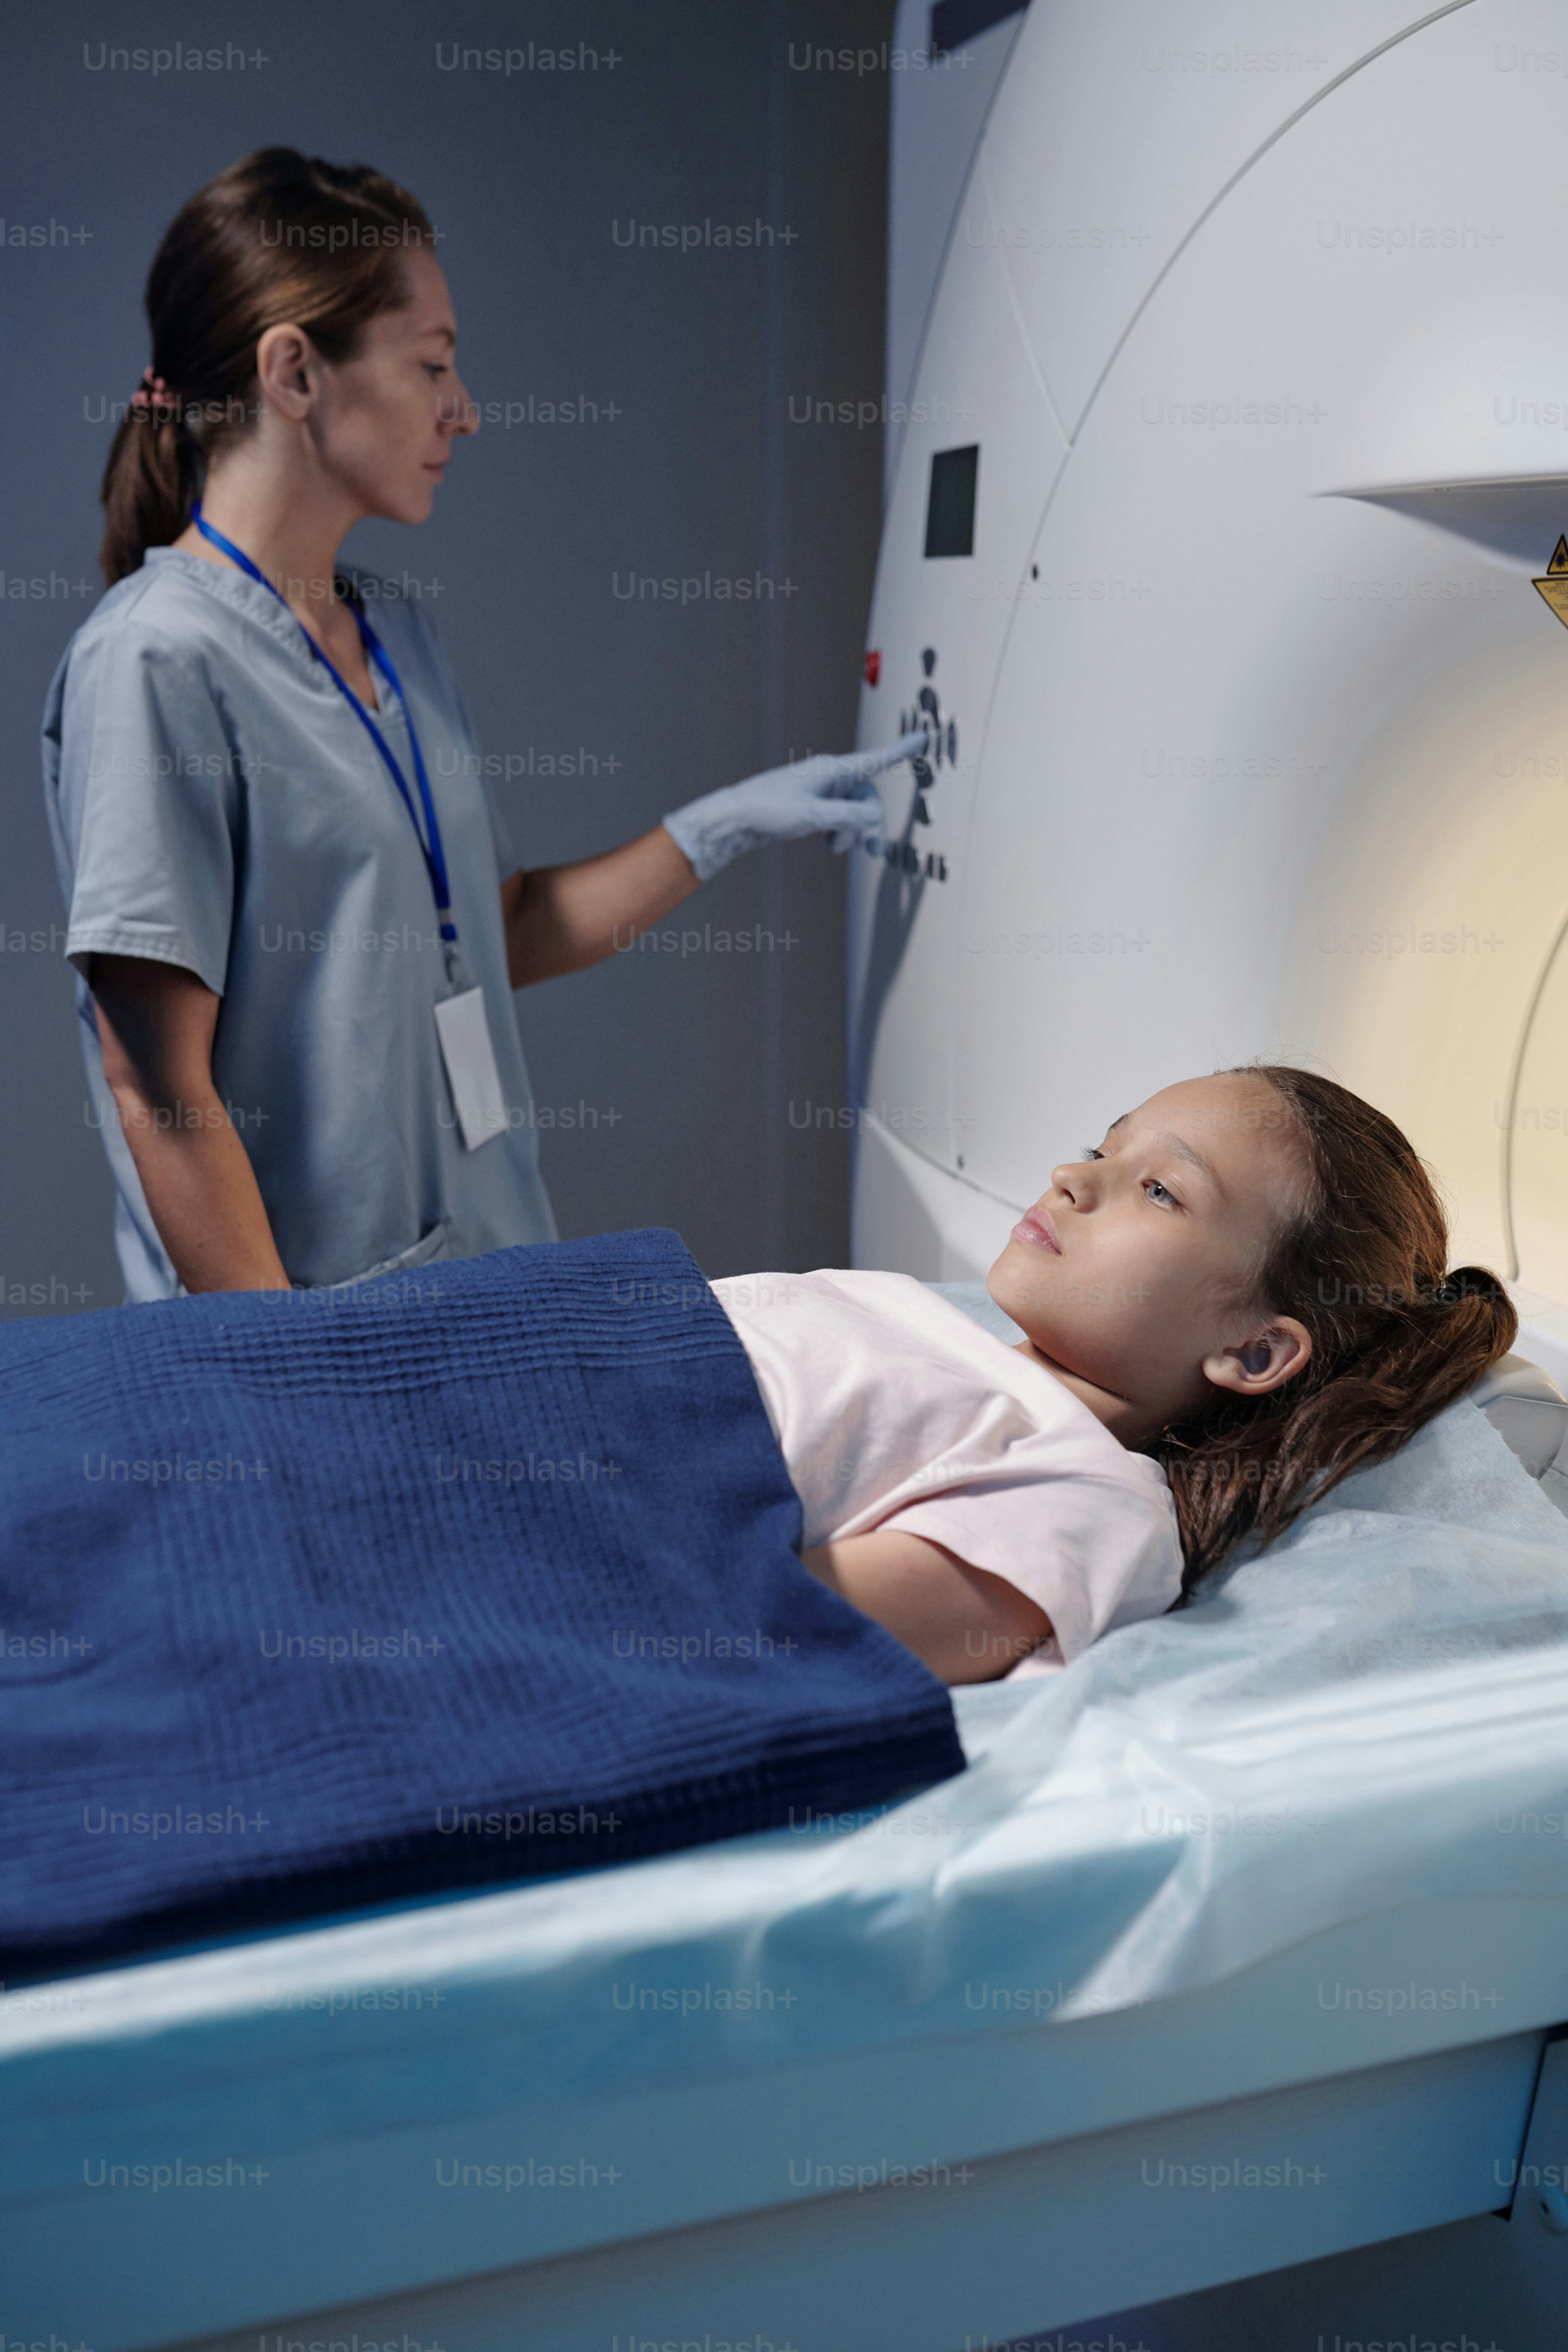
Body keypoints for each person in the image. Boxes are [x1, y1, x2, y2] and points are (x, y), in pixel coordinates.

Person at [42, 147, 921, 1302]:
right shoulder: (155, 657)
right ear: (295, 372)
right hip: (315, 1338)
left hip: (484, 1277)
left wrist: (716, 828)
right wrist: (294, 1376)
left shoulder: (395, 635)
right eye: (433, 365)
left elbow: (490, 933)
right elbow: (156, 1084)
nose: (464, 409)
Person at [716, 1063, 1516, 1683]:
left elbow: (743, 1627)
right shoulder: (909, 1311)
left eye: (1162, 1191)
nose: (1073, 1175)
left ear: (1254, 1352)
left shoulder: (1086, 1499)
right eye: (1106, 1148)